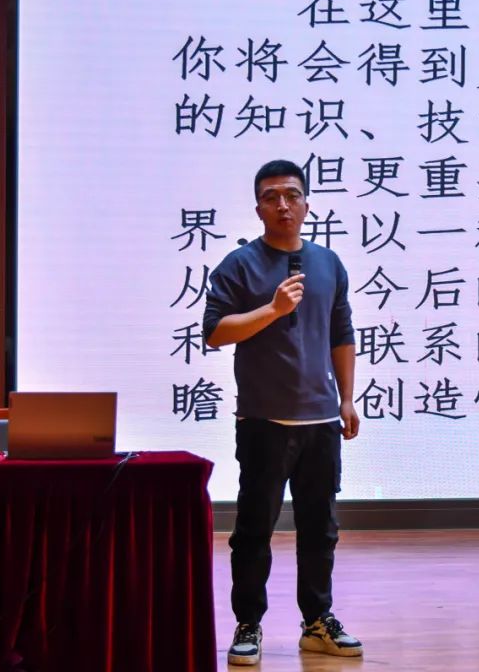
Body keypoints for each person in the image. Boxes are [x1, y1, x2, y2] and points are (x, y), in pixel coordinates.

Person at [203, 159, 362, 666]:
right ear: (258, 209)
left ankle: (317, 622)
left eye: (292, 195)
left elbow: (341, 333)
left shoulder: (328, 264)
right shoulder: (239, 265)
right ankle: (248, 624)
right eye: (271, 197)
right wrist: (273, 310)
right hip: (263, 421)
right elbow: (215, 332)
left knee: (321, 528)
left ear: (307, 204)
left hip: (321, 420)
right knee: (254, 529)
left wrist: (346, 398)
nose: (283, 205)